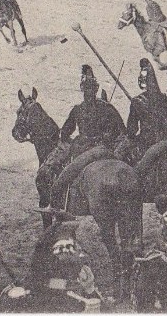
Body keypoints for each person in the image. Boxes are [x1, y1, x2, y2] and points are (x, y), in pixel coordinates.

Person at [38, 65, 126, 213]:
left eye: (90, 89)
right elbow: (66, 131)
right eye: (87, 89)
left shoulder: (91, 109)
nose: (88, 93)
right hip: (95, 147)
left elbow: (65, 133)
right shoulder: (95, 108)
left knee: (66, 173)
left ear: (94, 90)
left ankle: (58, 205)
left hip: (90, 150)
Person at [119, 58, 167, 164]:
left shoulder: (137, 101)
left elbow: (132, 130)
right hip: (166, 141)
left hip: (146, 145)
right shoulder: (164, 98)